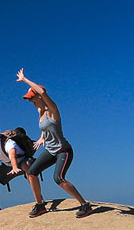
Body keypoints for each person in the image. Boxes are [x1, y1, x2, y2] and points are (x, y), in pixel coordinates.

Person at [16, 68, 93, 218]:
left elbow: (44, 94)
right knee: (31, 172)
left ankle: (85, 205)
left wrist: (25, 79)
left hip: (63, 150)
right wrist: (42, 137)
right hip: (50, 150)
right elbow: (46, 127)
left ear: (39, 96)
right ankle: (40, 206)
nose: (30, 101)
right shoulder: (40, 111)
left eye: (32, 98)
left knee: (58, 178)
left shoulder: (53, 109)